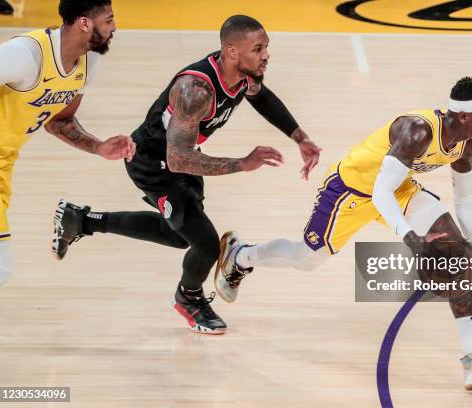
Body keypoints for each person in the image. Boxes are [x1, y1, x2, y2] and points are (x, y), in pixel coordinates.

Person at [216, 77, 472, 390]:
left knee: (455, 252)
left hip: (398, 189)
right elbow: (379, 193)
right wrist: (412, 240)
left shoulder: (467, 143)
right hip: (350, 190)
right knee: (305, 259)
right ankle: (240, 255)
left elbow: (465, 199)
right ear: (464, 117)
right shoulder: (418, 130)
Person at [52, 15, 322, 335]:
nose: (266, 55)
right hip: (153, 164)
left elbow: (259, 95)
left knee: (179, 235)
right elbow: (178, 160)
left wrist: (299, 136)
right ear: (232, 52)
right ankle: (188, 299)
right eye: (258, 48)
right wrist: (242, 163)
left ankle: (81, 220)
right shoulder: (195, 90)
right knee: (206, 244)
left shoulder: (243, 73)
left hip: (184, 159)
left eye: (266, 48)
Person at [0, 0, 135, 288]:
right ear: (85, 23)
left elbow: (59, 121)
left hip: (3, 164)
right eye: (109, 20)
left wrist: (98, 147)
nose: (115, 27)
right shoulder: (25, 55)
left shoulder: (88, 60)